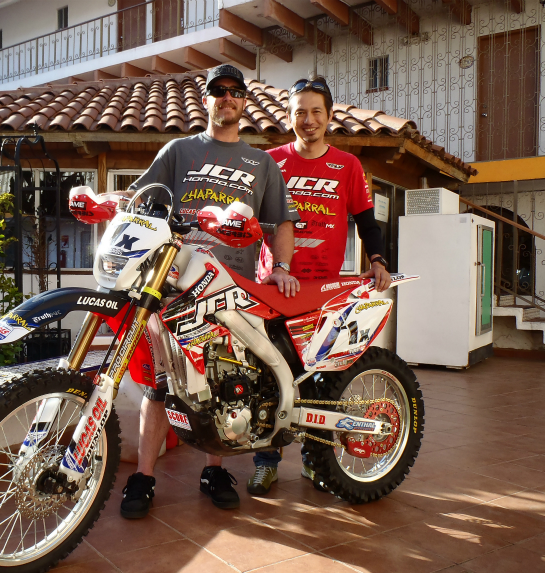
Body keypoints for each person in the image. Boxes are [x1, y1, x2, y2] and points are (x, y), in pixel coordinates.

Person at [119, 65, 301, 518]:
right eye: (218, 90)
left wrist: (281, 267)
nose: (227, 97)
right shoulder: (178, 150)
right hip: (171, 285)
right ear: (206, 100)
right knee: (162, 387)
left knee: (221, 383)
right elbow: (140, 202)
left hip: (232, 290)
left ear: (244, 102)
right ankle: (143, 477)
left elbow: (282, 222)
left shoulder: (262, 163)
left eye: (235, 91)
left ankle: (214, 471)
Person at [247, 76, 391, 496]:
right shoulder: (270, 161)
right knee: (268, 376)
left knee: (322, 379)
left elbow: (367, 221)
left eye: (315, 112)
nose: (307, 120)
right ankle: (266, 463)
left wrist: (378, 260)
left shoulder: (348, 166)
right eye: (299, 113)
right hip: (274, 288)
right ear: (288, 117)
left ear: (329, 116)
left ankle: (315, 461)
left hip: (325, 292)